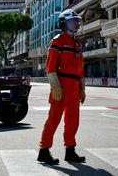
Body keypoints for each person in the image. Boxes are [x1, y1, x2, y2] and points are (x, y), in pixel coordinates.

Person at [37, 9, 86, 165]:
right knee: (54, 119)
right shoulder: (57, 41)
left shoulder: (76, 44)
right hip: (61, 85)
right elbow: (50, 68)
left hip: (74, 86)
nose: (77, 23)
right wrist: (56, 86)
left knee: (73, 121)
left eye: (77, 21)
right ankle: (44, 151)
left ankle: (70, 150)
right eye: (73, 21)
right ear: (64, 23)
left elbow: (80, 70)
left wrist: (82, 88)